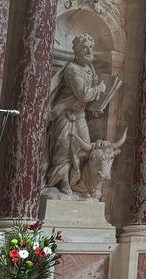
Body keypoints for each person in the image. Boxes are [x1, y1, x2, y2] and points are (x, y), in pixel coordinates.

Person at [45, 35, 105, 196]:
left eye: (91, 48)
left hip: (80, 116)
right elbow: (83, 94)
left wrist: (98, 103)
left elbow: (87, 99)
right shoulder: (72, 69)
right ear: (77, 50)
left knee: (85, 150)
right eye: (85, 48)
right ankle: (62, 181)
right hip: (64, 114)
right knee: (63, 151)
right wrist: (99, 89)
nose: (89, 51)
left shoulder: (89, 69)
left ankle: (78, 183)